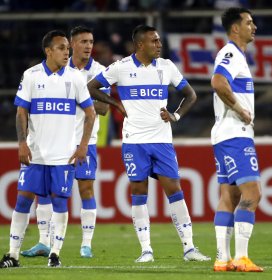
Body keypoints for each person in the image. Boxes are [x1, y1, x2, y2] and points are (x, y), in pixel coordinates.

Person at [87, 24, 210, 263]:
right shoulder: (121, 68)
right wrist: (116, 104)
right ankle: (146, 250)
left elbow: (191, 94)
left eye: (159, 40)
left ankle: (189, 248)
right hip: (134, 142)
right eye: (154, 41)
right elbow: (91, 87)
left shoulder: (166, 67)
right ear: (140, 44)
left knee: (174, 189)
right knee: (138, 191)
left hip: (162, 140)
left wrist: (175, 115)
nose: (159, 44)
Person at [0, 30, 96, 268]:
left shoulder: (75, 78)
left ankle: (55, 253)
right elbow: (21, 111)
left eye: (67, 47)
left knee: (60, 203)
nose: (67, 52)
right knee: (22, 201)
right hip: (35, 155)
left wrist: (83, 145)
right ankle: (13, 255)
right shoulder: (31, 76)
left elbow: (91, 113)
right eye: (62, 48)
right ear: (49, 51)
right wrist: (22, 143)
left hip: (63, 156)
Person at [20, 26, 109, 259]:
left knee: (86, 187)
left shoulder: (100, 71)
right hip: (57, 140)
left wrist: (81, 96)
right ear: (71, 44)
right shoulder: (59, 67)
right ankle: (43, 241)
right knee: (45, 192)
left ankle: (86, 244)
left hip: (84, 141)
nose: (88, 46)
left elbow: (103, 108)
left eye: (91, 41)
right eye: (83, 42)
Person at [210, 8, 263, 273]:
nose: (254, 27)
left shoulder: (235, 56)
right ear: (235, 28)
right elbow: (218, 82)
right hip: (235, 134)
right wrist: (241, 110)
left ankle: (222, 258)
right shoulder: (231, 53)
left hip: (222, 135)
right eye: (249, 23)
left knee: (228, 195)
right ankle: (241, 257)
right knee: (252, 193)